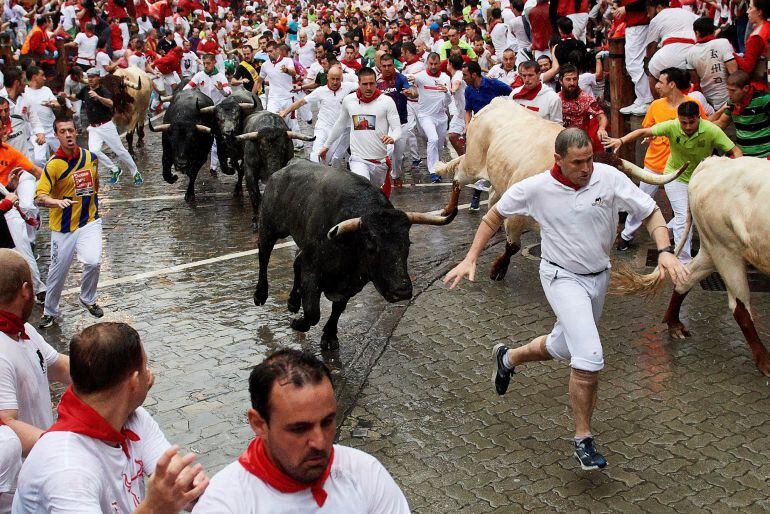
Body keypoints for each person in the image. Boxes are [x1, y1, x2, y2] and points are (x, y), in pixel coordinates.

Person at [444, 128, 689, 470]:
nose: (586, 168)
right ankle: (583, 440)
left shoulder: (607, 177)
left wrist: (664, 250)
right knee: (588, 355)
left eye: (589, 159)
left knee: (562, 346)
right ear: (558, 160)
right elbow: (493, 216)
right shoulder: (536, 187)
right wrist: (471, 257)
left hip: (599, 277)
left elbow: (650, 212)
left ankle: (508, 358)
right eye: (578, 162)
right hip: (560, 277)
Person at [13, 322, 209, 513]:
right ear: (133, 381)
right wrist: (153, 509)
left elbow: (176, 481)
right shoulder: (67, 467)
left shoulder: (134, 418)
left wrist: (190, 488)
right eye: (145, 366)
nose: (150, 375)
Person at [191, 348, 410, 513]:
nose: (320, 442)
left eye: (327, 422)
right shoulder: (224, 503)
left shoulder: (365, 474)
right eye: (299, 429)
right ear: (259, 424)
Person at [605, 101, 742, 263]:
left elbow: (735, 150)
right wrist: (621, 141)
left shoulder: (711, 130)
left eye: (692, 122)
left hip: (700, 179)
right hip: (675, 176)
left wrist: (738, 172)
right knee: (684, 217)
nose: (688, 126)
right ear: (679, 119)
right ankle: (684, 261)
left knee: (690, 218)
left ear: (699, 118)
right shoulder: (672, 126)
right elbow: (643, 131)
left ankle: (662, 230)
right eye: (684, 122)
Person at [0, 249, 71, 512]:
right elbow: (5, 422)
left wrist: (111, 376)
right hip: (18, 491)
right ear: (26, 290)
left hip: (43, 471)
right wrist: (65, 447)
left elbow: (58, 366)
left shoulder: (25, 331)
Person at [614, 67, 706, 251]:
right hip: (655, 164)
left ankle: (673, 236)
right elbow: (647, 128)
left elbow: (706, 125)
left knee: (683, 211)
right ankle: (626, 234)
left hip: (681, 168)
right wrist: (649, 137)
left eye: (660, 82)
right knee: (641, 200)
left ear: (672, 84)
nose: (656, 86)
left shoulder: (692, 105)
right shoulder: (656, 106)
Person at [35, 117, 104, 329]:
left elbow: (96, 184)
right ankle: (50, 311)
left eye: (71, 131)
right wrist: (56, 202)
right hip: (63, 228)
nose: (68, 135)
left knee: (93, 261)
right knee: (58, 272)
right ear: (56, 135)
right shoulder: (53, 165)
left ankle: (88, 298)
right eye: (63, 132)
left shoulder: (90, 158)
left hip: (89, 221)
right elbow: (39, 197)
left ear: (76, 132)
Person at [320, 67, 401, 193]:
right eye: (364, 84)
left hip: (380, 162)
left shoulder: (387, 101)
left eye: (371, 84)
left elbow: (397, 129)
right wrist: (326, 146)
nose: (368, 88)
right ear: (358, 84)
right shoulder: (349, 101)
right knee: (364, 190)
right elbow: (340, 124)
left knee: (376, 196)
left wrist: (392, 138)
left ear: (376, 83)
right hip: (358, 159)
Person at [75, 68, 143, 186]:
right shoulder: (85, 90)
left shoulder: (103, 90)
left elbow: (110, 103)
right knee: (94, 152)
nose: (90, 79)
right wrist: (66, 96)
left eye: (93, 77)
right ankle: (114, 169)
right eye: (89, 77)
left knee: (120, 151)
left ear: (98, 78)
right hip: (93, 128)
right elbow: (75, 97)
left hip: (106, 125)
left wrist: (98, 97)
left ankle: (135, 172)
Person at [280, 65, 357, 165]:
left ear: (341, 78)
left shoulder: (348, 86)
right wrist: (285, 112)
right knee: (316, 155)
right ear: (327, 77)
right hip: (323, 127)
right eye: (332, 79)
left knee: (330, 159)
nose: (334, 82)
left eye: (337, 79)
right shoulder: (321, 91)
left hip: (338, 131)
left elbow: (362, 86)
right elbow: (301, 102)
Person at [462, 60, 512, 211]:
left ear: (474, 74)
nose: (463, 77)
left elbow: (513, 93)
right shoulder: (468, 90)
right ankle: (476, 197)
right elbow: (468, 111)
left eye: (465, 75)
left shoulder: (493, 84)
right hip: (481, 130)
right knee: (480, 163)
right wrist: (468, 126)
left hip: (498, 130)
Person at [412, 53, 451, 183]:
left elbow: (448, 102)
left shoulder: (445, 77)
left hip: (441, 117)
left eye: (436, 64)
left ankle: (437, 168)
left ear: (439, 63)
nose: (433, 66)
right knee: (432, 139)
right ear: (427, 63)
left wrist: (446, 92)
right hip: (425, 116)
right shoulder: (420, 76)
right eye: (431, 64)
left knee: (440, 146)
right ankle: (432, 171)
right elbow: (407, 79)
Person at [712, 70, 770, 157]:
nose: (729, 94)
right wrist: (699, 128)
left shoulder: (764, 100)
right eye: (728, 90)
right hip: (741, 155)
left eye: (733, 91)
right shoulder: (732, 103)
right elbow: (721, 123)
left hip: (764, 155)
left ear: (746, 88)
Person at [687, 17, 737, 110]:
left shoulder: (690, 53)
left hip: (709, 103)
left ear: (697, 33)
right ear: (713, 30)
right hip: (730, 99)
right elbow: (734, 73)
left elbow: (695, 81)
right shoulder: (723, 43)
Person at [615, 0, 654, 115]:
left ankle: (647, 99)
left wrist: (625, 8)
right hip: (635, 24)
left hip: (639, 24)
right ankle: (642, 98)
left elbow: (646, 2)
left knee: (633, 64)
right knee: (635, 63)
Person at [558, 64, 608, 143]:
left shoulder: (586, 99)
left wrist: (601, 129)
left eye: (574, 79)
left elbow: (601, 116)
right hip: (560, 141)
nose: (572, 83)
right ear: (561, 81)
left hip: (580, 143)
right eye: (568, 79)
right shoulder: (556, 99)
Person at [20, 66, 58, 168]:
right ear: (34, 77)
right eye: (42, 75)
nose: (45, 78)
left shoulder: (46, 90)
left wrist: (51, 104)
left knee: (67, 154)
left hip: (53, 131)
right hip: (36, 134)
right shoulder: (25, 93)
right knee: (38, 160)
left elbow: (57, 105)